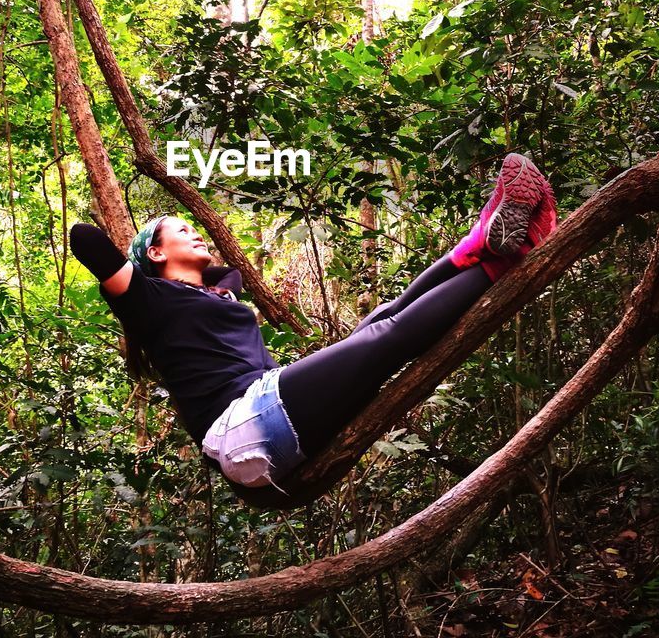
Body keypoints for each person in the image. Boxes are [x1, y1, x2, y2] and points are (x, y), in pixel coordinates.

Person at [69, 153, 557, 494]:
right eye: (182, 230)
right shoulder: (148, 299)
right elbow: (84, 237)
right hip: (244, 427)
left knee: (377, 321)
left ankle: (480, 244)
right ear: (155, 253)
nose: (196, 233)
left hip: (263, 418)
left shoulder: (213, 298)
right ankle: (511, 257)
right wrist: (129, 278)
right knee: (385, 338)